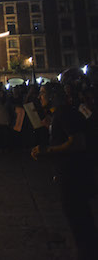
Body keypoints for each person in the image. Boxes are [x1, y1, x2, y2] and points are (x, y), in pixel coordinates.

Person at [31, 84, 97, 260]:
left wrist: (48, 151)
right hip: (69, 171)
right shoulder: (59, 114)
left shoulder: (63, 113)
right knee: (76, 214)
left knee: (77, 215)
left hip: (72, 174)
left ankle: (86, 252)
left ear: (53, 96)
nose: (40, 97)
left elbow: (77, 142)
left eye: (42, 93)